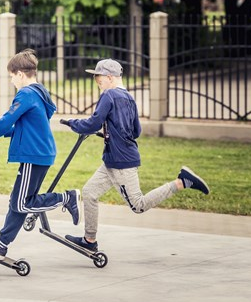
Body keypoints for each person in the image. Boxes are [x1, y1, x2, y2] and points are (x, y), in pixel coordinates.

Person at [63, 58, 210, 251]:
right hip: (112, 159)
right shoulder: (129, 98)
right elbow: (136, 131)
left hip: (121, 161)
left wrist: (72, 122)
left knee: (138, 205)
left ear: (109, 77)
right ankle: (90, 241)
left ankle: (182, 182)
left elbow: (93, 123)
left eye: (98, 78)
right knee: (90, 193)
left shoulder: (108, 96)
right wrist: (112, 133)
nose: (96, 81)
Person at [0, 49, 82, 260]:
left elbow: (7, 119)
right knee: (18, 201)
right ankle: (1, 244)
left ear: (20, 74)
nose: (12, 80)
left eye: (12, 76)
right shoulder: (40, 93)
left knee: (22, 203)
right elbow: (26, 127)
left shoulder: (26, 94)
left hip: (34, 155)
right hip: (38, 154)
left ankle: (67, 198)